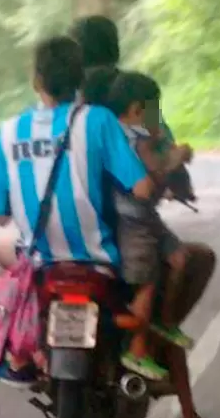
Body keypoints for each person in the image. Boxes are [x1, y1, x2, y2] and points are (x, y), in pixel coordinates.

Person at [0, 35, 159, 418]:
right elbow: (142, 188)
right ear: (78, 80)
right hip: (97, 257)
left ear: (36, 81)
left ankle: (19, 352)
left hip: (39, 257)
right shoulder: (98, 120)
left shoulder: (8, 132)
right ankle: (136, 352)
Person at [68, 14, 218, 418]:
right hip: (131, 222)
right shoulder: (137, 94)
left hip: (73, 228)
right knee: (186, 265)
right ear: (115, 49)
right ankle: (154, 340)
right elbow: (162, 146)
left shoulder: (65, 101)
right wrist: (179, 178)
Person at [83, 68, 196, 380]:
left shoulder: (137, 133)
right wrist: (175, 158)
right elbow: (148, 175)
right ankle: (137, 348)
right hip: (132, 223)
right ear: (136, 109)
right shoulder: (127, 138)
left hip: (148, 219)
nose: (158, 117)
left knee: (179, 258)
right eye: (154, 110)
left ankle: (164, 321)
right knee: (145, 283)